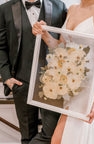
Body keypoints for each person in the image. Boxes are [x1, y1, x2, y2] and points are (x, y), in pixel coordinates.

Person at [32, 0, 94, 143]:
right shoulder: (72, 9)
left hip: (87, 88)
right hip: (70, 86)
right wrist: (44, 34)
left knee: (58, 140)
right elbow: (61, 47)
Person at [0, 0, 67, 144]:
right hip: (20, 82)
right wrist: (7, 78)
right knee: (27, 137)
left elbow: (66, 43)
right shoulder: (5, 9)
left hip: (53, 85)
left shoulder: (59, 6)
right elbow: (1, 47)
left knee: (50, 136)